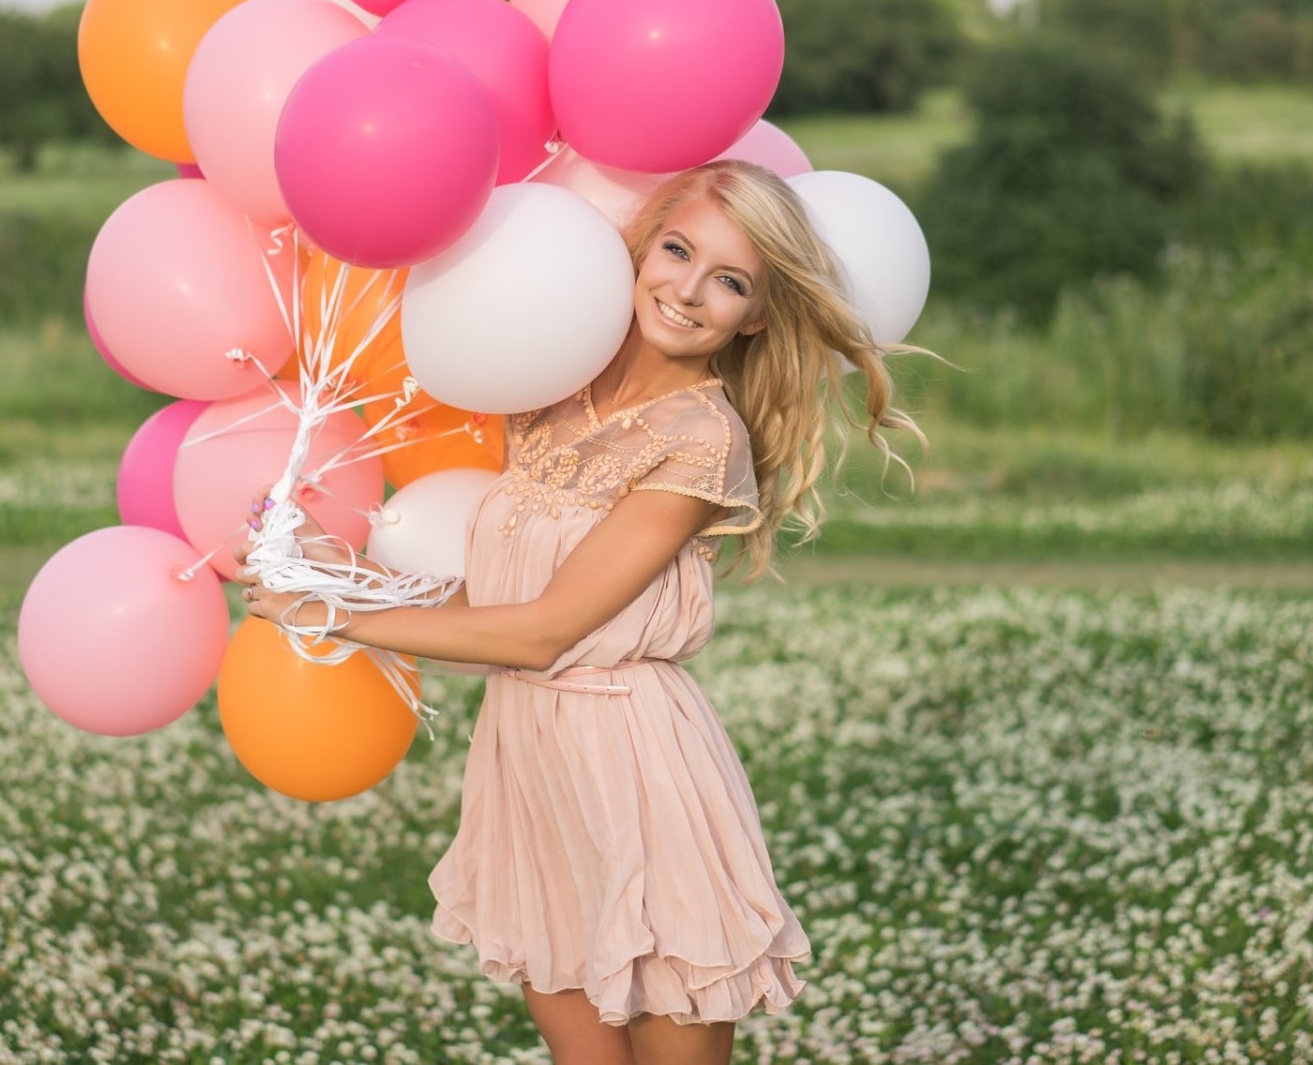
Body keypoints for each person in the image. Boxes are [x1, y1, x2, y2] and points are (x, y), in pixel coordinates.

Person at [239, 159, 928, 1065]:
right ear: (641, 247)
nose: (687, 291)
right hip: (527, 758)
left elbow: (545, 630)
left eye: (728, 281)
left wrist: (331, 620)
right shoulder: (552, 387)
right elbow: (498, 605)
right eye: (676, 251)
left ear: (756, 313)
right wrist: (347, 579)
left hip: (634, 763)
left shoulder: (700, 436)